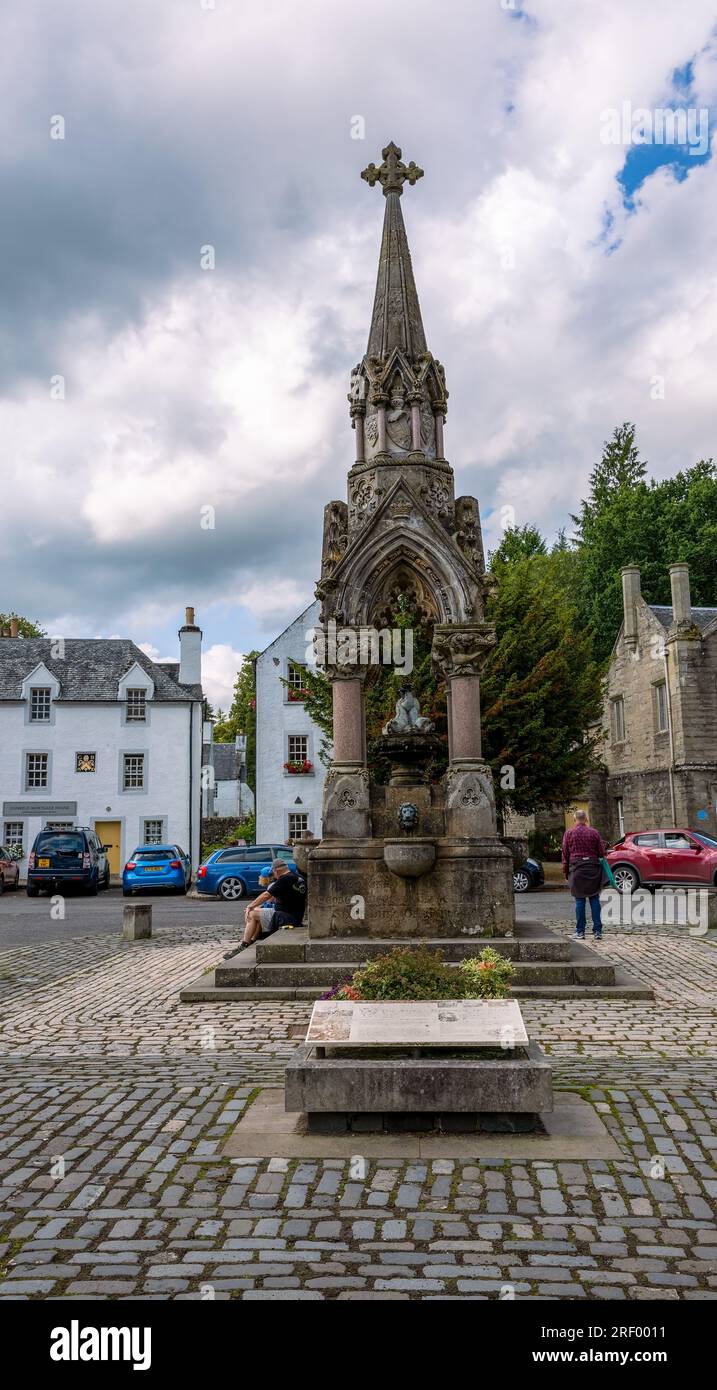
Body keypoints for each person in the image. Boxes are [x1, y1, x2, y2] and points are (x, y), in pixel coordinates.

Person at [223, 859, 307, 959]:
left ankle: (244, 945)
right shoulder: (299, 878)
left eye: (273, 873)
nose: (274, 876)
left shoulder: (285, 879)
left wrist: (250, 906)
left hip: (285, 917)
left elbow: (266, 895)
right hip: (293, 915)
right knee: (256, 912)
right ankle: (252, 941)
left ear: (276, 871)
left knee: (252, 913)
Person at [562, 809, 606, 941]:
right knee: (594, 899)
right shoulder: (594, 833)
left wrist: (565, 872)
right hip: (593, 868)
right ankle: (598, 931)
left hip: (577, 869)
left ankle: (580, 931)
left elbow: (565, 855)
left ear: (575, 819)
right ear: (586, 819)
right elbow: (601, 852)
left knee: (580, 900)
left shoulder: (569, 833)